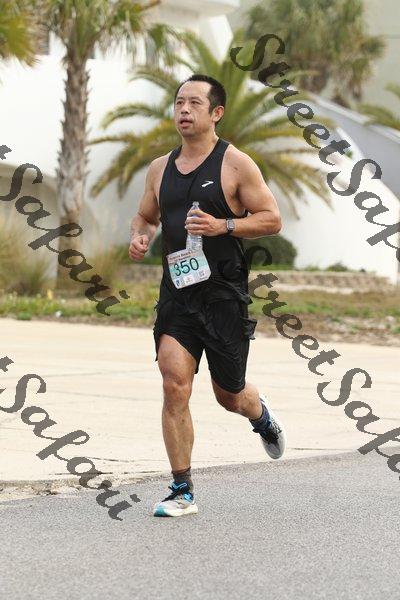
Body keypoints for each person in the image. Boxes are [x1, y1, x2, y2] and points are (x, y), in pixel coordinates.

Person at [129, 74, 286, 518]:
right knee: (173, 383)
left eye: (194, 103)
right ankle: (181, 490)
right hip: (178, 294)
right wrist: (140, 236)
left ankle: (260, 415)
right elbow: (145, 216)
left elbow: (271, 218)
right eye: (179, 102)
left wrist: (224, 226)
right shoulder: (159, 168)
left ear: (216, 113)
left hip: (223, 296)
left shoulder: (235, 164)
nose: (184, 110)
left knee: (229, 395)